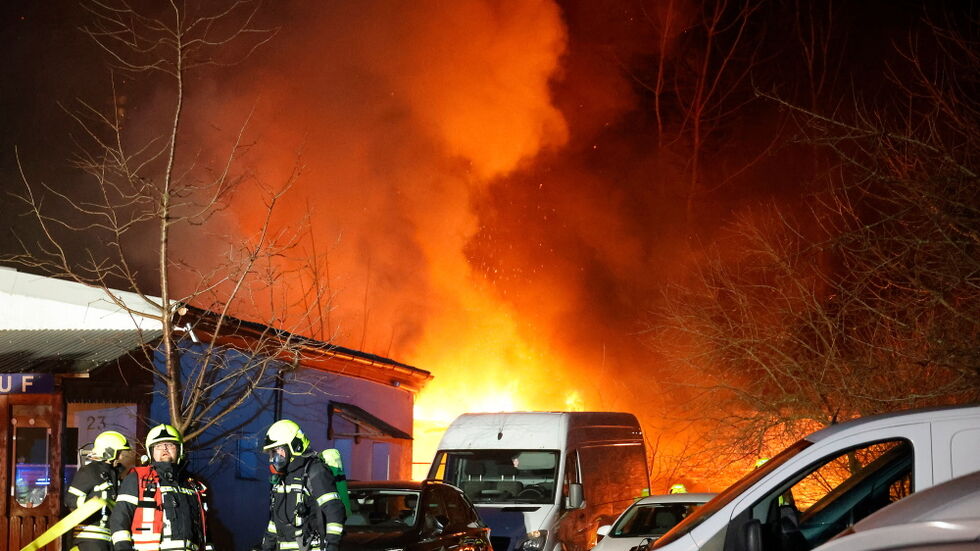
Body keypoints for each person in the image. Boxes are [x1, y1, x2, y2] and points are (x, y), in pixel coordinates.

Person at [109, 424, 212, 551]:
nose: (164, 448)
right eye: (158, 446)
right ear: (150, 452)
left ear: (179, 450)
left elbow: (204, 527)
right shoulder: (137, 478)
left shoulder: (192, 485)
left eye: (170, 444)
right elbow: (120, 518)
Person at [261, 419, 345, 551]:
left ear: (295, 446)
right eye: (272, 453)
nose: (274, 458)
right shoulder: (283, 478)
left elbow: (334, 510)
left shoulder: (315, 471)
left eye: (278, 451)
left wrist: (332, 545)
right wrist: (266, 547)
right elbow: (276, 521)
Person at [66, 431, 132, 551]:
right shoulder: (89, 471)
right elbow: (70, 500)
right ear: (108, 452)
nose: (121, 458)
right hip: (90, 537)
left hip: (108, 537)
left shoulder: (114, 474)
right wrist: (95, 503)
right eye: (119, 453)